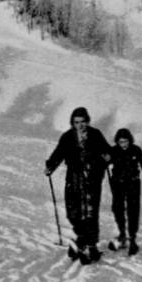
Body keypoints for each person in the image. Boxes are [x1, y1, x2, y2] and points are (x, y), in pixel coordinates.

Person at [45, 107, 111, 264]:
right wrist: (50, 166)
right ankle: (80, 240)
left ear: (87, 121)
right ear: (72, 123)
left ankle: (91, 245)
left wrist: (107, 156)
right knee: (73, 212)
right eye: (76, 122)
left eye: (82, 122)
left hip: (92, 178)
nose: (80, 125)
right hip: (74, 178)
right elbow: (58, 153)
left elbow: (107, 150)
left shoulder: (95, 134)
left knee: (90, 213)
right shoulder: (67, 137)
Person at [108, 128, 142, 256]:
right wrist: (104, 160)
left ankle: (132, 238)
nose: (123, 144)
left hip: (133, 183)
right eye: (121, 142)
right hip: (118, 183)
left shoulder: (136, 149)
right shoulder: (114, 150)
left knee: (133, 210)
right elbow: (104, 161)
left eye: (126, 141)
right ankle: (122, 233)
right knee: (117, 208)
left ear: (130, 140)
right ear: (117, 141)